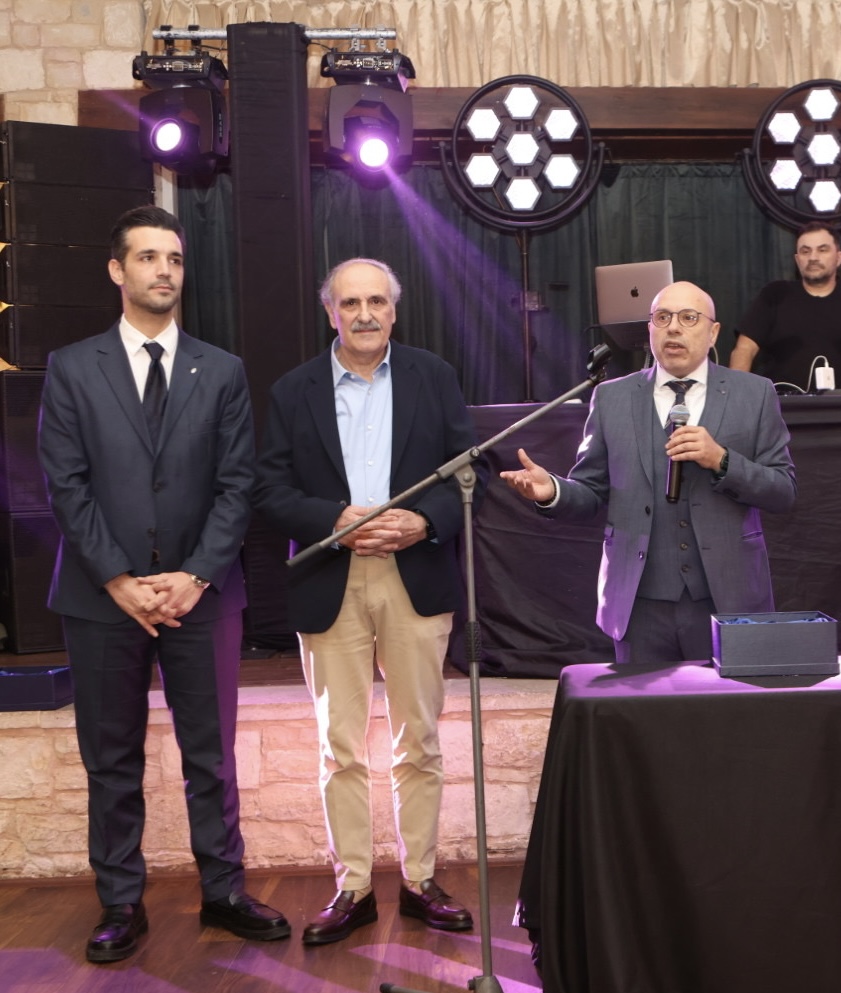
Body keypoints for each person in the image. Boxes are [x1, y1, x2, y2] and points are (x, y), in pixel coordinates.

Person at [36, 205, 289, 963]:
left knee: (210, 755)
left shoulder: (223, 369)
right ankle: (120, 902)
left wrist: (197, 574)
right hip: (100, 599)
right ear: (118, 270)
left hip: (200, 598)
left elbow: (238, 484)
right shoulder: (72, 367)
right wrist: (117, 576)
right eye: (148, 257)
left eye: (174, 259)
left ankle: (224, 891)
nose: (164, 271)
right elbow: (65, 484)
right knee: (111, 758)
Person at [252, 258, 485, 945]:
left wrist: (422, 521)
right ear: (330, 312)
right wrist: (334, 519)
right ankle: (351, 887)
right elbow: (269, 489)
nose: (364, 314)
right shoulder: (293, 390)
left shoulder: (433, 377)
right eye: (350, 303)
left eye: (376, 301)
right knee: (339, 746)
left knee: (421, 739)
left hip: (414, 573)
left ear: (393, 309)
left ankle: (420, 880)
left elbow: (468, 471)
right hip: (332, 576)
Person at [501, 280, 796, 664]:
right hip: (638, 602)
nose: (673, 328)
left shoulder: (754, 394)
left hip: (728, 597)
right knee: (640, 702)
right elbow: (591, 489)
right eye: (662, 318)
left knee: (727, 704)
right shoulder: (612, 397)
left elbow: (783, 490)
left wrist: (722, 460)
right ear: (650, 329)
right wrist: (553, 491)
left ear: (713, 332)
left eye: (688, 318)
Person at [730, 221, 841, 390]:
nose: (813, 258)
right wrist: (734, 400)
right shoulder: (775, 294)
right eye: (805, 251)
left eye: (822, 250)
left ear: (839, 258)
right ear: (797, 260)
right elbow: (744, 349)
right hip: (782, 406)